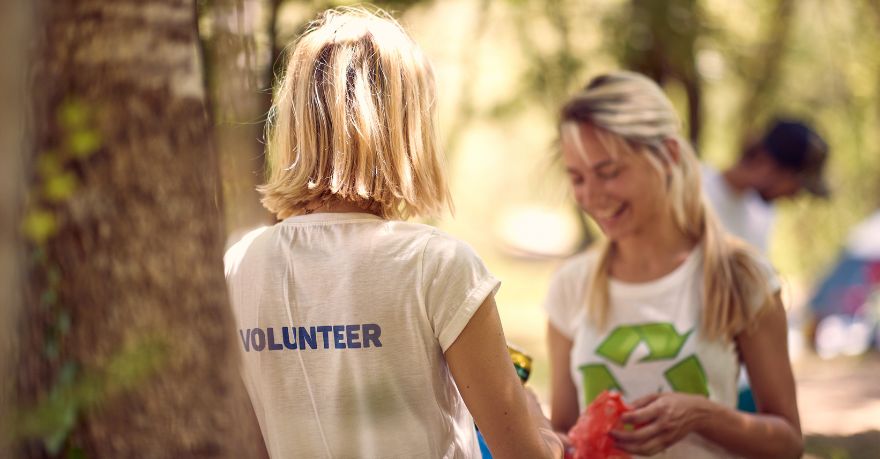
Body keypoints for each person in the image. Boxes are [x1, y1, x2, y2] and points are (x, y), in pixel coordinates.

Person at [223, 7, 562, 459]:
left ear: (293, 122)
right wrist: (540, 424)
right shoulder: (435, 263)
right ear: (407, 127)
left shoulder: (238, 267)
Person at [544, 71, 803, 458]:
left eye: (609, 172)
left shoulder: (742, 277)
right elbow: (565, 432)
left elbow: (788, 443)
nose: (592, 195)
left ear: (668, 155)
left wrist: (703, 415)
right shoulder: (570, 284)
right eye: (577, 178)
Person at [702, 119, 830, 254]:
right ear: (769, 165)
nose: (793, 197)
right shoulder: (694, 191)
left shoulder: (762, 215)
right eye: (796, 186)